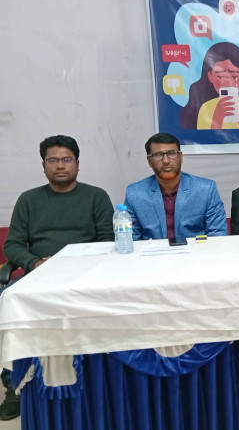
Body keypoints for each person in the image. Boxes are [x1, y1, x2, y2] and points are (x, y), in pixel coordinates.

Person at [1, 135, 114, 421]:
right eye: (53, 160)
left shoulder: (96, 196)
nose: (60, 166)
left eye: (66, 159)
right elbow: (12, 245)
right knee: (9, 302)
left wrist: (78, 263)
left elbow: (108, 240)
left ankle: (99, 376)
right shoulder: (29, 199)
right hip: (40, 274)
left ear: (77, 163)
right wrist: (35, 263)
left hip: (87, 275)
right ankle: (14, 385)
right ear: (43, 166)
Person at [124, 133, 228, 240]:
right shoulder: (135, 194)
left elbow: (218, 236)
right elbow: (130, 240)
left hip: (195, 250)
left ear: (181, 157)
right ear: (149, 161)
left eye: (172, 153)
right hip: (154, 251)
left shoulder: (206, 190)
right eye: (158, 155)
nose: (166, 161)